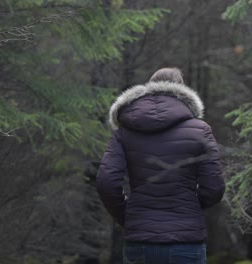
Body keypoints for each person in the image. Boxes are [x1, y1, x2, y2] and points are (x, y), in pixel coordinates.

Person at [96, 67, 225, 264]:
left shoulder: (125, 132)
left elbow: (106, 182)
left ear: (150, 88)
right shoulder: (200, 131)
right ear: (183, 92)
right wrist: (189, 209)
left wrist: (128, 216)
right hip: (186, 242)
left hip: (140, 240)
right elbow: (214, 187)